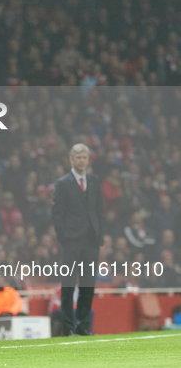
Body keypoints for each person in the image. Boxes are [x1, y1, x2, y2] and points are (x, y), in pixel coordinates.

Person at [52, 143, 104, 336]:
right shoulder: (63, 183)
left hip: (91, 242)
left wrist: (99, 236)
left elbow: (99, 211)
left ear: (88, 159)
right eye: (78, 157)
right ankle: (68, 327)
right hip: (72, 242)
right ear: (71, 160)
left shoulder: (95, 181)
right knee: (68, 286)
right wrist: (64, 238)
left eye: (84, 157)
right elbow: (57, 214)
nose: (81, 160)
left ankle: (82, 325)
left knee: (87, 285)